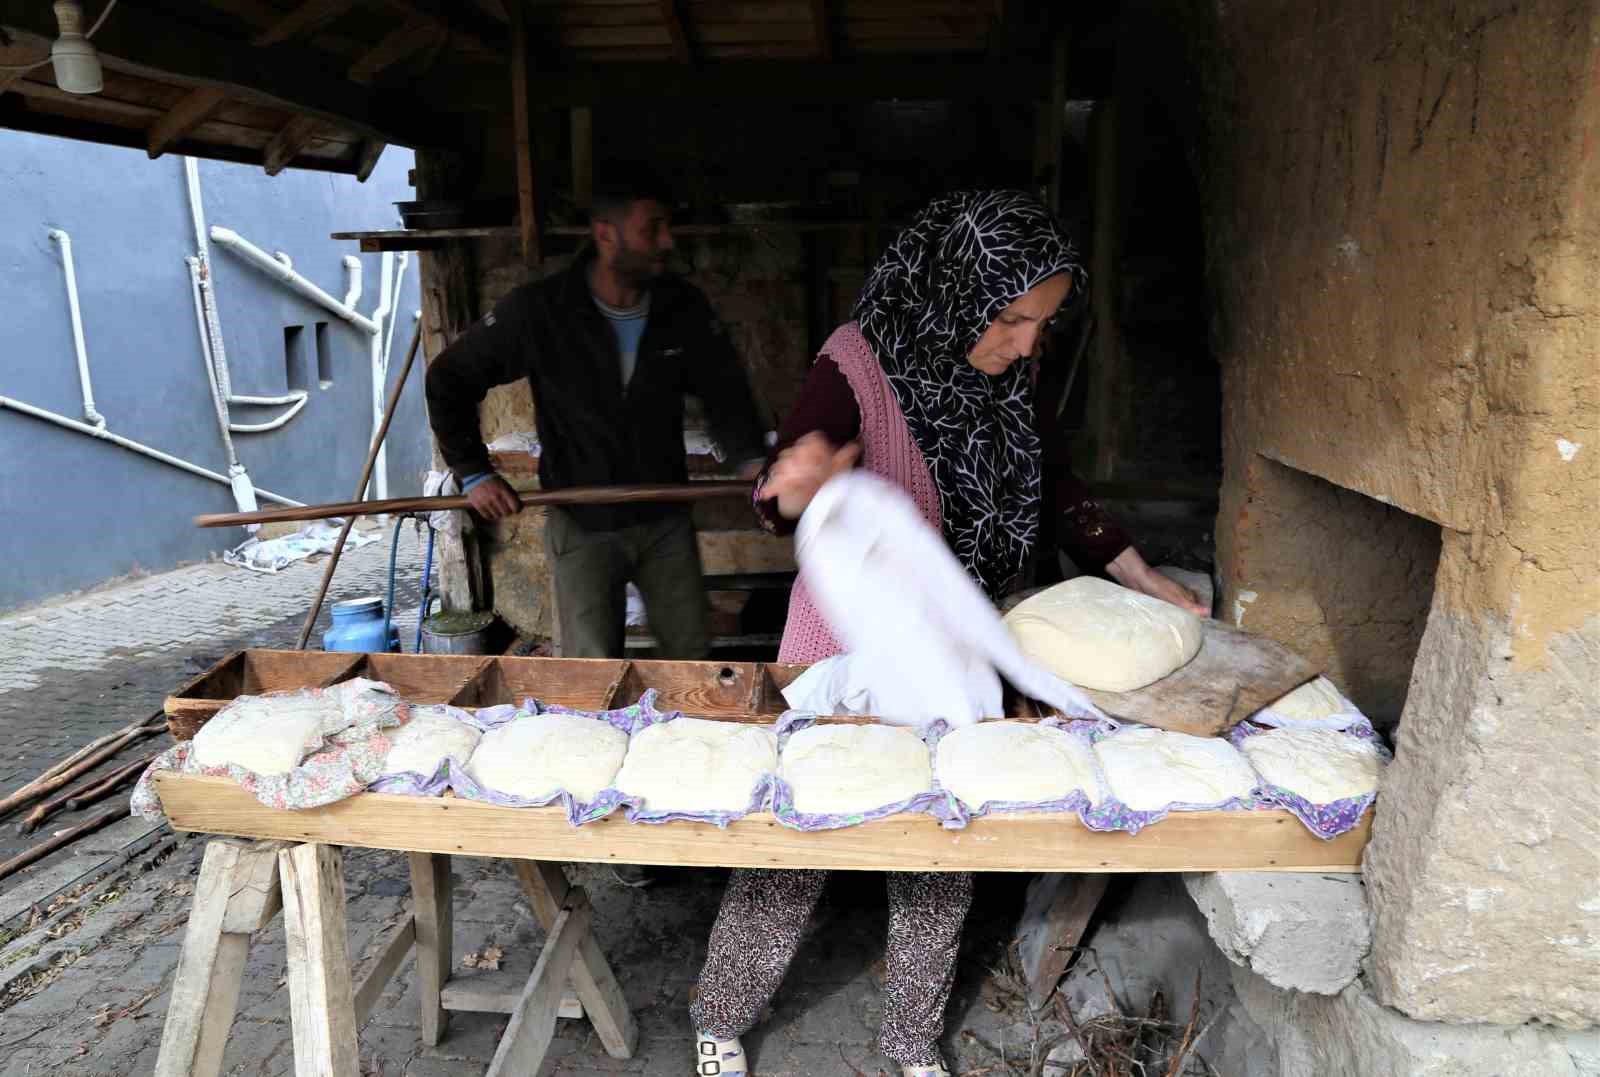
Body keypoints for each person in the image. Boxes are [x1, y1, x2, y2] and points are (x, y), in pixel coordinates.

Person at [689, 190, 1202, 1077]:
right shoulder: (855, 362)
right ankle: (719, 1016)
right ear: (957, 291)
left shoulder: (1017, 371)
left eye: (1042, 322)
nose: (1027, 343)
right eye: (1010, 319)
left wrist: (1142, 575)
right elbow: (783, 490)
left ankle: (909, 1039)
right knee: (798, 835)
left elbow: (1059, 481)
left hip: (954, 647)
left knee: (940, 840)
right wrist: (796, 476)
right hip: (847, 646)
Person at [425, 165, 767, 664]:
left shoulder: (682, 308)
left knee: (694, 663)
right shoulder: (542, 311)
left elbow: (727, 394)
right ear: (607, 234)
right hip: (581, 521)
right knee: (591, 668)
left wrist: (752, 462)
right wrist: (474, 472)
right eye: (652, 228)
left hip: (665, 516)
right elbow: (448, 378)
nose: (667, 241)